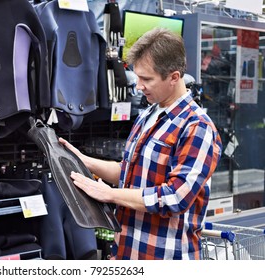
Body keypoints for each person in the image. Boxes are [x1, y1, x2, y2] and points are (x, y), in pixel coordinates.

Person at [59, 27, 223, 260]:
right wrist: (82, 161)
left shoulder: (197, 127)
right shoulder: (148, 115)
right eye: (138, 77)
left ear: (174, 77)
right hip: (128, 253)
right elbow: (128, 173)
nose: (138, 86)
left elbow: (175, 197)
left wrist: (111, 195)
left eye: (147, 79)